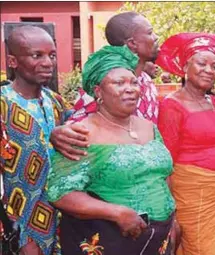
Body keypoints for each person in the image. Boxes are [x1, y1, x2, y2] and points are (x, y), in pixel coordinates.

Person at [46, 45, 176, 255]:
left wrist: (173, 218)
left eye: (134, 82)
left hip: (157, 238)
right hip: (111, 240)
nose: (130, 88)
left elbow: (164, 174)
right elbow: (60, 193)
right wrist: (116, 212)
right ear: (98, 92)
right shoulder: (81, 132)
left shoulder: (148, 127)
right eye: (119, 83)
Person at [155, 32, 215, 255]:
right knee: (201, 248)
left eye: (214, 66)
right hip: (193, 195)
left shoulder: (214, 101)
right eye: (202, 63)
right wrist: (169, 210)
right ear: (185, 66)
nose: (209, 70)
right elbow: (166, 161)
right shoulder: (172, 105)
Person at [51, 11, 160, 161]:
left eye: (133, 83)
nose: (156, 37)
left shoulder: (146, 80)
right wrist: (59, 134)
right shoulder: (100, 84)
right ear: (132, 43)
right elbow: (75, 133)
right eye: (150, 32)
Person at [1, 25, 65, 255]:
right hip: (19, 221)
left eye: (52, 55)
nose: (48, 62)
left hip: (62, 216)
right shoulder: (2, 105)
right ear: (13, 61)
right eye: (36, 55)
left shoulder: (56, 102)